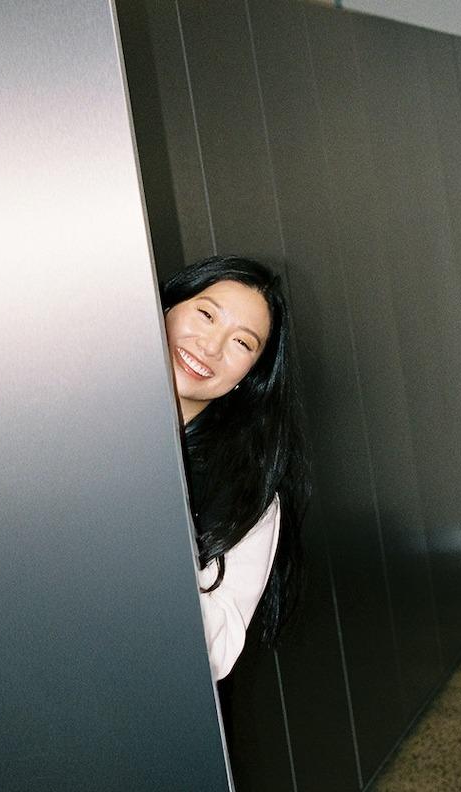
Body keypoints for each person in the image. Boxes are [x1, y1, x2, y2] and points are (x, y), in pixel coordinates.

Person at [161, 255, 308, 680]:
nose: (210, 347)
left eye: (242, 343)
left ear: (250, 374)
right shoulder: (74, 428)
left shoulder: (250, 495)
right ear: (167, 306)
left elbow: (219, 653)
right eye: (206, 314)